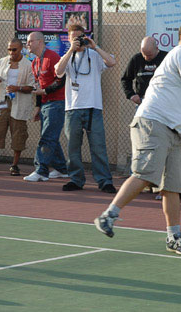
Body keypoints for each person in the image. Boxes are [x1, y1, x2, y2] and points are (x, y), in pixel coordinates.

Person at [93, 21, 181, 256]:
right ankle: (108, 215)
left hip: (171, 131)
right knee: (145, 174)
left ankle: (174, 237)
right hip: (154, 123)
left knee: (172, 187)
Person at [54, 24, 117, 193]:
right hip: (73, 108)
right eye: (74, 38)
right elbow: (58, 72)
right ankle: (76, 179)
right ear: (68, 39)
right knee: (73, 147)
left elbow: (112, 62)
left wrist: (94, 46)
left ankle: (104, 181)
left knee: (98, 147)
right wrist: (70, 51)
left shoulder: (94, 55)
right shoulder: (66, 57)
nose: (78, 41)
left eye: (80, 37)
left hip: (93, 107)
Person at [0, 38, 36, 176]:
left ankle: (15, 165)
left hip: (19, 102)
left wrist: (18, 88)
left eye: (14, 50)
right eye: (9, 49)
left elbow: (32, 86)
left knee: (18, 133)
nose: (11, 52)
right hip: (2, 101)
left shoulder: (28, 65)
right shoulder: (2, 62)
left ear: (21, 49)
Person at [23, 31, 68, 182]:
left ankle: (41, 170)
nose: (27, 44)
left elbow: (61, 80)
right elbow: (38, 86)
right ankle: (62, 168)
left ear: (40, 41)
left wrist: (46, 91)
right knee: (51, 137)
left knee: (47, 137)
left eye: (30, 41)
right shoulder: (35, 62)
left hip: (57, 103)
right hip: (45, 104)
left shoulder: (52, 57)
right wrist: (38, 106)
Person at [121, 36, 168, 105]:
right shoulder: (136, 59)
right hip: (143, 100)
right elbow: (126, 79)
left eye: (149, 55)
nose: (146, 58)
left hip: (163, 100)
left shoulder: (166, 58)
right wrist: (131, 94)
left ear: (157, 49)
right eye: (144, 54)